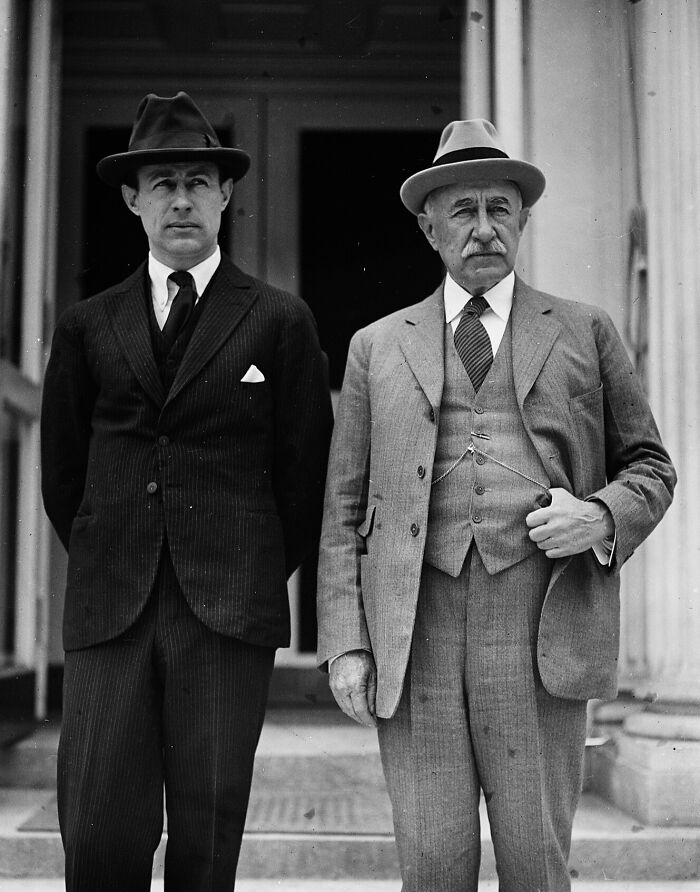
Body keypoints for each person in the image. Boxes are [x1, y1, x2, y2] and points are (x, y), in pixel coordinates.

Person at [316, 119, 676, 891]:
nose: (483, 228)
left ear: (522, 220)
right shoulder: (376, 346)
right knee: (433, 868)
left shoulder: (584, 330)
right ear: (429, 226)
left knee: (536, 867)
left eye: (500, 210)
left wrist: (601, 516)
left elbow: (651, 466)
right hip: (415, 639)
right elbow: (344, 509)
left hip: (539, 629)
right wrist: (347, 641)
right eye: (463, 211)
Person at [41, 91, 332, 892]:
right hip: (111, 608)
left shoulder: (278, 320)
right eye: (161, 182)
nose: (180, 199)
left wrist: (245, 570)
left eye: (197, 181)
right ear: (132, 198)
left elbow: (304, 476)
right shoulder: (87, 325)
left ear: (226, 194)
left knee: (207, 836)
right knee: (98, 830)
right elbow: (64, 475)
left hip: (226, 611)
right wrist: (117, 550)